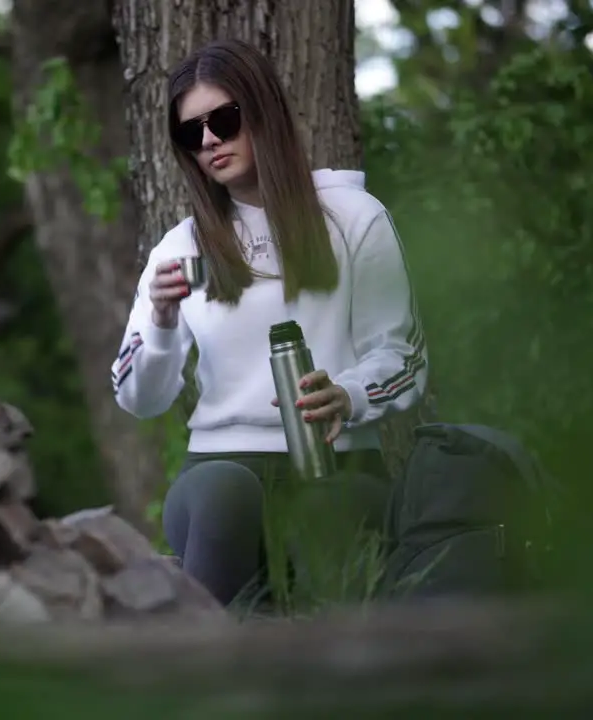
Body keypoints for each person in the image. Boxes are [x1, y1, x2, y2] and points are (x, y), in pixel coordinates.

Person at [111, 39, 429, 606]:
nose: (209, 141)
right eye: (192, 132)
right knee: (223, 493)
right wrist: (160, 321)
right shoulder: (182, 247)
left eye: (224, 120)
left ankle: (340, 679)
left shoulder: (354, 218)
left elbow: (404, 359)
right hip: (219, 468)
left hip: (336, 460)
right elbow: (139, 398)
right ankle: (206, 676)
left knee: (333, 508)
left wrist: (349, 395)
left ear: (264, 113)